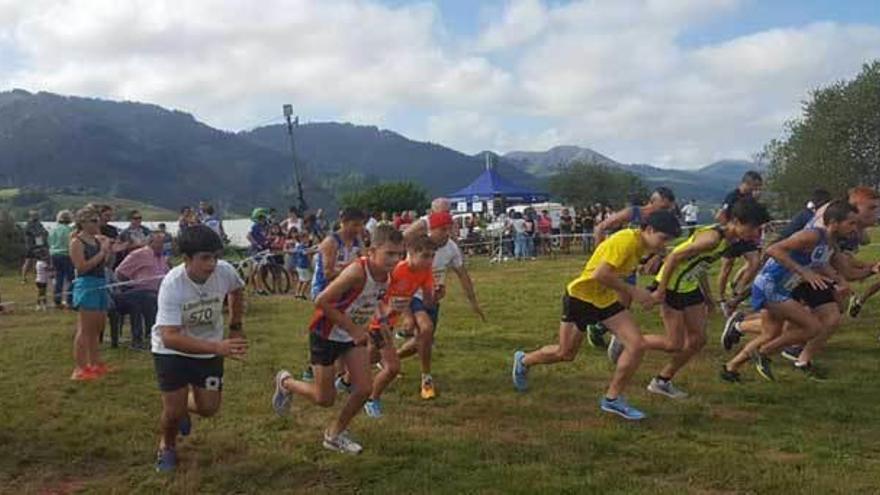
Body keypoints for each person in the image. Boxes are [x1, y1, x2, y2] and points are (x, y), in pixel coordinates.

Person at [511, 210, 681, 421]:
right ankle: (524, 360)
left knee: (637, 344)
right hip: (580, 298)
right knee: (565, 354)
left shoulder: (641, 245)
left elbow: (616, 268)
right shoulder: (626, 240)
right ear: (648, 229)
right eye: (663, 239)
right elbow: (600, 274)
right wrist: (636, 292)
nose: (663, 245)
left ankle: (612, 399)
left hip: (604, 300)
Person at [271, 225, 404, 454]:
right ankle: (286, 383)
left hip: (351, 337)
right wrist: (353, 329)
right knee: (325, 399)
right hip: (325, 333)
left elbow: (374, 301)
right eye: (389, 253)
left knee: (363, 389)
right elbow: (321, 301)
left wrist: (382, 320)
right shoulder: (357, 272)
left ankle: (334, 434)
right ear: (372, 251)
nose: (395, 259)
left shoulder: (387, 275)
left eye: (399, 254)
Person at [642, 199, 769, 398]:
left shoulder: (727, 241)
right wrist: (661, 290)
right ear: (735, 221)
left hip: (689, 287)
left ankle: (661, 381)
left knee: (698, 339)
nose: (755, 233)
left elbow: (698, 267)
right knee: (674, 343)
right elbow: (674, 257)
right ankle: (628, 340)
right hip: (672, 287)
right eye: (752, 227)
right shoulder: (712, 239)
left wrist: (708, 298)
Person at [721, 200, 857, 382]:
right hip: (770, 285)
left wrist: (839, 280)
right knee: (813, 327)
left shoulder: (830, 243)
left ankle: (731, 369)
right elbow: (773, 249)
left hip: (782, 288)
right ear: (833, 222)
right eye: (851, 223)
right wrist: (803, 271)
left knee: (771, 334)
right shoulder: (812, 235)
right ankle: (764, 353)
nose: (854, 228)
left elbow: (821, 263)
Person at [151, 225, 246, 473]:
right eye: (205, 258)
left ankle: (184, 408)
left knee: (209, 408)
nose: (212, 263)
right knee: (172, 411)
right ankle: (167, 446)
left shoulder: (225, 271)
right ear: (186, 259)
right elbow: (169, 337)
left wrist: (235, 325)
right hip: (171, 353)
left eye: (215, 256)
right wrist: (218, 346)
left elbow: (237, 289)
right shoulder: (172, 284)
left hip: (209, 351)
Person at [398, 211, 486, 400]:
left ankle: (391, 359)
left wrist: (474, 302)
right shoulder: (419, 246)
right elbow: (402, 275)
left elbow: (463, 274)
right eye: (442, 229)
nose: (447, 233)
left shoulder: (452, 248)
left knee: (423, 341)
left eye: (449, 229)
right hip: (414, 295)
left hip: (432, 297)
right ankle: (426, 379)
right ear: (432, 230)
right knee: (426, 329)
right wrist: (406, 311)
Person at [359, 235, 436, 418]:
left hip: (388, 321)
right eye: (425, 255)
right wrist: (391, 315)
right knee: (392, 367)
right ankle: (371, 399)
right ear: (411, 253)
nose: (429, 260)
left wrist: (434, 295)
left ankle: (345, 380)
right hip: (377, 321)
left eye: (432, 256)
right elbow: (377, 295)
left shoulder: (425, 272)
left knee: (371, 356)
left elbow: (427, 302)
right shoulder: (396, 271)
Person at [69, 205, 114, 381]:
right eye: (94, 221)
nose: (98, 223)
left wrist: (106, 251)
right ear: (83, 223)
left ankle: (95, 363)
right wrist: (101, 252)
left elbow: (106, 264)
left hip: (100, 282)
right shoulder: (76, 242)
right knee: (85, 329)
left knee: (97, 328)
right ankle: (80, 367)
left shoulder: (97, 240)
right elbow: (81, 267)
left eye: (98, 220)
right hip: (86, 285)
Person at [715, 171, 764, 314]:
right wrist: (730, 232)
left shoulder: (751, 198)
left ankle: (737, 293)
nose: (757, 190)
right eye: (755, 186)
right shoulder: (732, 196)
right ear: (747, 183)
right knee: (727, 267)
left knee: (755, 261)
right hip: (732, 236)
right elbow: (721, 215)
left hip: (745, 236)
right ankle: (721, 298)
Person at [115, 233, 170, 350]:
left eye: (163, 243)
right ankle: (141, 338)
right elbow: (120, 272)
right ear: (150, 243)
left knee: (159, 299)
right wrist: (130, 284)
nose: (161, 246)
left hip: (157, 292)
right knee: (146, 298)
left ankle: (161, 335)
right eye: (158, 243)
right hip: (138, 290)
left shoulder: (162, 257)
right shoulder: (139, 254)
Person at [310, 207, 365, 300]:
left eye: (361, 225)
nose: (359, 229)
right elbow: (328, 274)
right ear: (344, 223)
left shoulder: (358, 241)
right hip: (324, 290)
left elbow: (364, 263)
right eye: (355, 225)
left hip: (346, 287)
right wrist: (351, 269)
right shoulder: (331, 242)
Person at [49, 210, 76, 308]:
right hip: (66, 254)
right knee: (71, 279)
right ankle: (70, 300)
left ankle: (57, 300)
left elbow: (49, 242)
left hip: (54, 255)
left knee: (58, 278)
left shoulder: (53, 229)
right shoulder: (69, 230)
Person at [21, 210, 49, 283]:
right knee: (28, 261)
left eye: (37, 215)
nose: (36, 216)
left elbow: (45, 232)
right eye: (35, 215)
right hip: (30, 246)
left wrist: (44, 234)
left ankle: (36, 277)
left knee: (37, 262)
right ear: (31, 216)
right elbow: (34, 233)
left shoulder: (39, 224)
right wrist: (41, 233)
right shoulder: (28, 224)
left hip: (38, 245)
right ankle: (23, 278)